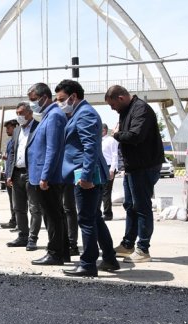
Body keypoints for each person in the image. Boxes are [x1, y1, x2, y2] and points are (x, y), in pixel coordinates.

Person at [55, 80, 119, 277]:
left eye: (61, 99)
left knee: (86, 220)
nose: (59, 104)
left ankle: (88, 264)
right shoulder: (80, 113)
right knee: (95, 218)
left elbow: (89, 147)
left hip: (85, 175)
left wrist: (86, 176)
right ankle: (109, 258)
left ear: (73, 96)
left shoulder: (85, 114)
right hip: (84, 173)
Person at [105, 85, 164, 263]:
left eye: (113, 105)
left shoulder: (141, 109)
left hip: (144, 166)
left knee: (142, 207)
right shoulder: (126, 110)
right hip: (132, 167)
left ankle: (143, 249)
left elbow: (135, 136)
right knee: (130, 206)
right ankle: (128, 245)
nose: (112, 109)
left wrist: (116, 135)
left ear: (121, 98)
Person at [26, 83, 69, 266]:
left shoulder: (54, 116)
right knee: (54, 214)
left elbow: (53, 149)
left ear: (44, 97)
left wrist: (45, 176)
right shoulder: (48, 115)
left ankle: (55, 253)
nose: (32, 104)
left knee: (52, 216)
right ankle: (63, 252)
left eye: (34, 100)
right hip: (43, 175)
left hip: (48, 177)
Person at [5, 101, 42, 252]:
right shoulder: (16, 131)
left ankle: (32, 238)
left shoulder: (39, 127)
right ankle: (22, 236)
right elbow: (12, 153)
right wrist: (9, 174)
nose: (18, 116)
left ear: (30, 113)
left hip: (31, 173)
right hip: (17, 174)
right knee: (18, 208)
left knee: (34, 208)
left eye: (21, 113)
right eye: (17, 114)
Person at [0, 119, 18, 229]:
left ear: (15, 127)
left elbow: (16, 158)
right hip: (8, 174)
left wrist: (11, 176)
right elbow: (10, 157)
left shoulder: (18, 141)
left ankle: (19, 222)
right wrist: (4, 157)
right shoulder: (10, 141)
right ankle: (14, 220)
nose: (7, 130)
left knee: (17, 201)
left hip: (14, 175)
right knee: (12, 200)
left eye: (9, 128)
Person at [100, 123, 119, 220]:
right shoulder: (98, 140)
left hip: (108, 167)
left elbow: (115, 155)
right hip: (100, 167)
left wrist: (112, 170)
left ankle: (107, 213)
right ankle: (98, 212)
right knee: (99, 190)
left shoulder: (111, 140)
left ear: (104, 130)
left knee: (106, 191)